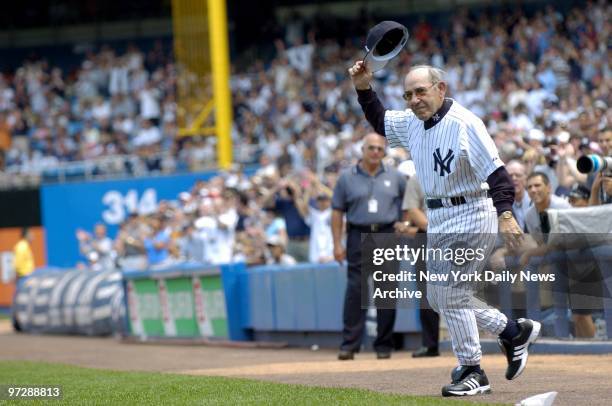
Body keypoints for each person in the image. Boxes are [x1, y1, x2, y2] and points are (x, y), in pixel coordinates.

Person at [348, 62, 540, 396]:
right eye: (408, 94)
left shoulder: (465, 123)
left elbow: (498, 174)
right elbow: (380, 120)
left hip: (471, 209)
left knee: (449, 292)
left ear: (441, 89)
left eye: (420, 91)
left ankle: (472, 369)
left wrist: (506, 214)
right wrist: (364, 87)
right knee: (440, 296)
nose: (414, 100)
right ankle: (511, 331)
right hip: (438, 215)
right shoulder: (411, 122)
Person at [332, 132, 406, 361]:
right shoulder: (346, 178)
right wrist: (337, 243)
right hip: (357, 233)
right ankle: (349, 345)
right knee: (356, 290)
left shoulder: (396, 177)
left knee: (386, 291)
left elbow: (407, 205)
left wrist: (403, 227)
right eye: (371, 148)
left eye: (379, 149)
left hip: (386, 233)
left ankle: (383, 345)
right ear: (362, 150)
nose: (375, 152)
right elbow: (337, 212)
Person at [399, 170, 440, 358]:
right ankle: (430, 344)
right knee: (426, 292)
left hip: (457, 233)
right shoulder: (417, 178)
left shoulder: (453, 173)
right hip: (427, 236)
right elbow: (413, 210)